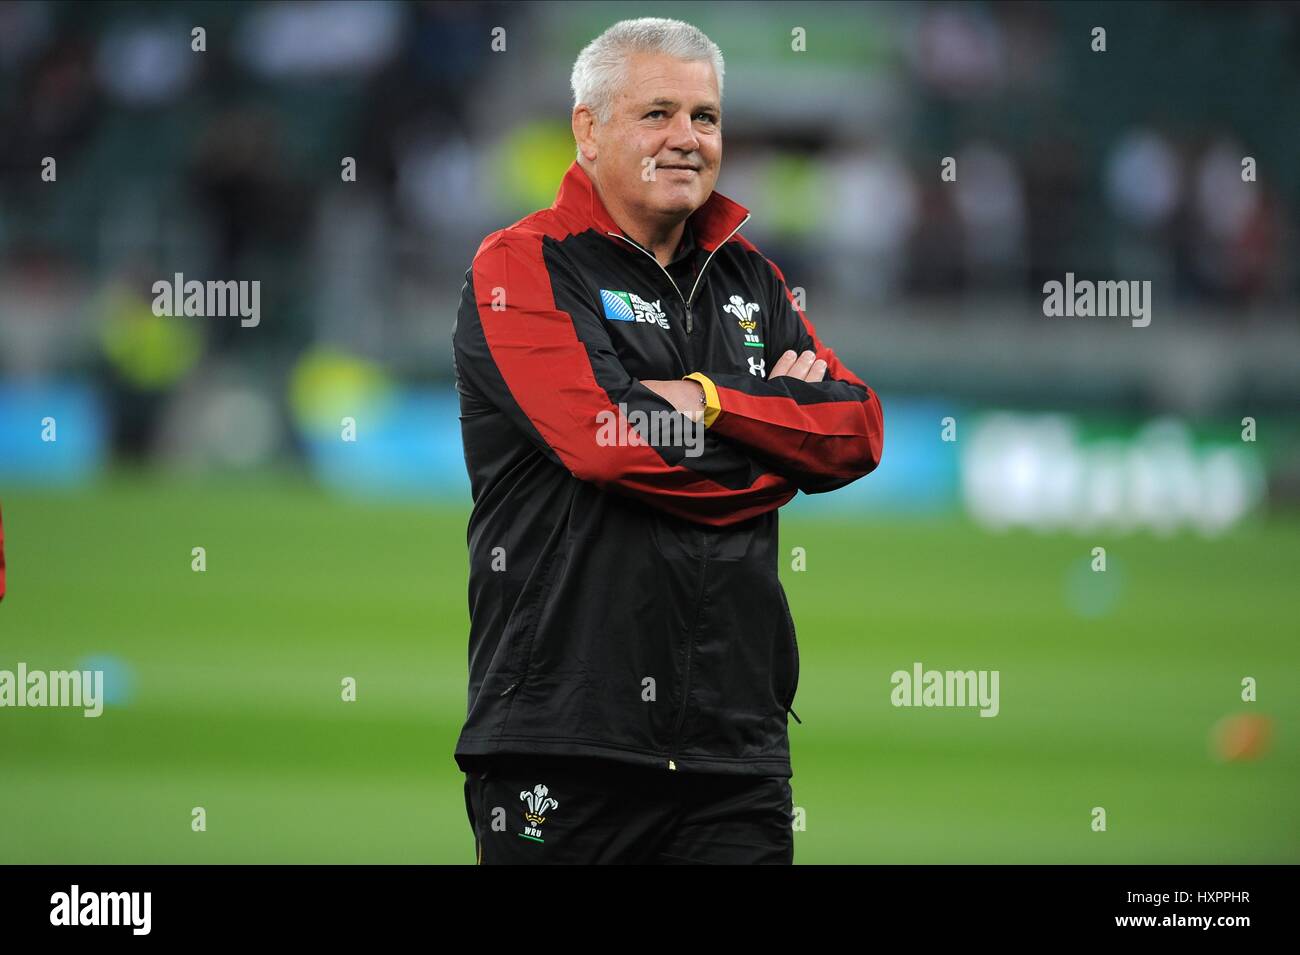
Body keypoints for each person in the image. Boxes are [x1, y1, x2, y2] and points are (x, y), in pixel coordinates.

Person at [451, 17, 883, 864]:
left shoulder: (751, 277)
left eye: (706, 117)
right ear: (589, 128)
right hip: (563, 738)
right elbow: (606, 439)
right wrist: (777, 441)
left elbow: (857, 429)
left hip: (735, 749)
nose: (688, 138)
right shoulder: (522, 265)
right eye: (657, 113)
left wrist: (712, 400)